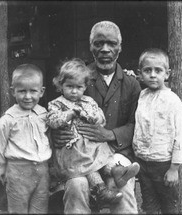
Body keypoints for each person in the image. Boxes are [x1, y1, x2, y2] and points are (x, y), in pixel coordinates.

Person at [52, 21, 141, 214]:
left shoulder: (131, 83)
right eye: (98, 43)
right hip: (80, 156)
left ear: (120, 48)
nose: (105, 49)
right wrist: (55, 136)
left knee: (122, 186)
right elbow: (54, 115)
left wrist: (109, 134)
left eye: (111, 43)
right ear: (91, 46)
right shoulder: (76, 79)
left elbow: (136, 125)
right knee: (77, 185)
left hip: (116, 153)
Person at [133, 48, 182, 214]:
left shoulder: (172, 100)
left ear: (167, 73)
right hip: (143, 162)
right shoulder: (142, 96)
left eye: (158, 70)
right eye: (147, 70)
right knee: (149, 204)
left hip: (163, 164)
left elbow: (181, 135)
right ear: (140, 73)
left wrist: (174, 168)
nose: (152, 75)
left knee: (169, 205)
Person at [0, 64, 51, 214]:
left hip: (42, 171)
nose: (28, 96)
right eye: (22, 91)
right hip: (18, 172)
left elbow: (49, 139)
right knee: (18, 208)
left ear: (41, 91)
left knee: (40, 207)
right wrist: (1, 171)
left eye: (33, 91)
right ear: (13, 91)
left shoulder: (44, 115)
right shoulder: (8, 119)